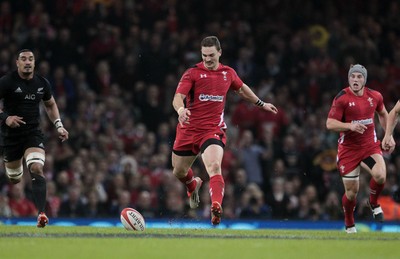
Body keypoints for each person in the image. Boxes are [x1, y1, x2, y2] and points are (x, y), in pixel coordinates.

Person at [171, 36, 278, 225]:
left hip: (212, 130)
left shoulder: (228, 73)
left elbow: (242, 89)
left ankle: (216, 207)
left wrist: (261, 104)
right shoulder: (192, 73)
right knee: (179, 171)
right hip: (188, 129)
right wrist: (181, 110)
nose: (208, 59)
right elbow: (178, 97)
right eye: (204, 56)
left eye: (211, 55)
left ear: (219, 52)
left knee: (214, 167)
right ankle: (192, 184)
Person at [0, 49, 69, 227]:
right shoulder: (7, 81)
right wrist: (6, 118)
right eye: (23, 59)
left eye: (31, 59)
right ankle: (15, 173)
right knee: (15, 178)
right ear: (17, 63)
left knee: (37, 167)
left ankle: (41, 214)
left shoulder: (42, 83)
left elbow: (51, 104)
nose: (28, 62)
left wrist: (59, 125)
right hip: (10, 137)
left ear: (34, 63)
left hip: (32, 133)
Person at [326, 64, 393, 233]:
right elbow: (330, 124)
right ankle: (349, 222)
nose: (355, 80)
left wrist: (388, 135)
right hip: (349, 150)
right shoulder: (341, 98)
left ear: (365, 79)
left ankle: (373, 202)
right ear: (348, 78)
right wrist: (350, 126)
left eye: (359, 77)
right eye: (353, 76)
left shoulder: (375, 96)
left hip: (369, 146)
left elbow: (384, 113)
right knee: (351, 193)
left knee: (380, 175)